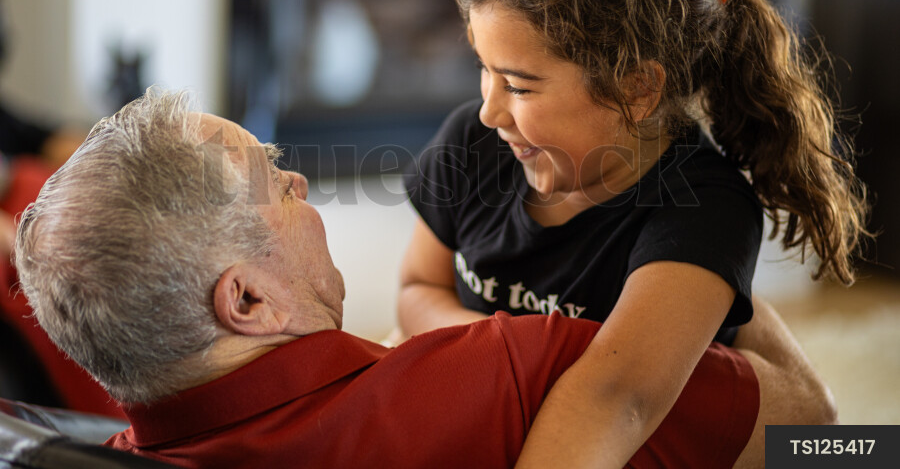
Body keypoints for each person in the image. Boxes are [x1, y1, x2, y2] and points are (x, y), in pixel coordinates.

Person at [15, 90, 829, 468]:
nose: (297, 182)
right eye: (271, 178)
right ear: (247, 300)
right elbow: (829, 443)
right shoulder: (532, 373)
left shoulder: (88, 459)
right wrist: (705, 246)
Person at [398, 0, 865, 468]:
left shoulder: (703, 207)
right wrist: (499, 356)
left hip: (670, 430)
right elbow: (419, 289)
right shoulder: (472, 138)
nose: (490, 111)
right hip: (520, 403)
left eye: (518, 85)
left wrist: (513, 362)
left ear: (637, 88)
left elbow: (617, 398)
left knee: (847, 450)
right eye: (483, 71)